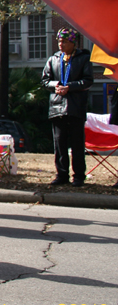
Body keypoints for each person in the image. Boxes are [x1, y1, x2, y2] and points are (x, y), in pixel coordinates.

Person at [41, 28, 93, 186]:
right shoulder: (53, 59)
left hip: (75, 106)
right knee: (59, 144)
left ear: (73, 43)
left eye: (64, 41)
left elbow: (88, 80)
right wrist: (55, 84)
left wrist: (69, 86)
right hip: (57, 107)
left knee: (77, 144)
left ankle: (78, 176)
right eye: (59, 41)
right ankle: (61, 175)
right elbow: (44, 80)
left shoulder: (83, 58)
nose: (60, 44)